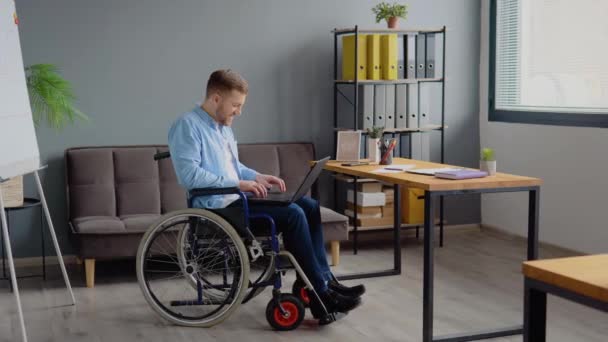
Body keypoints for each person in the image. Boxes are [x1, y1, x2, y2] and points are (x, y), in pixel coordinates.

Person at [167, 69, 364, 322]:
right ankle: (321, 294)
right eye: (235, 105)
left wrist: (257, 176)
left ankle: (325, 280)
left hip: (237, 201)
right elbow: (189, 176)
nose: (239, 112)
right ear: (216, 98)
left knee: (308, 205)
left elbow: (233, 167)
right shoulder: (187, 126)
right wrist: (240, 183)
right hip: (217, 209)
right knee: (292, 215)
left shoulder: (222, 127)